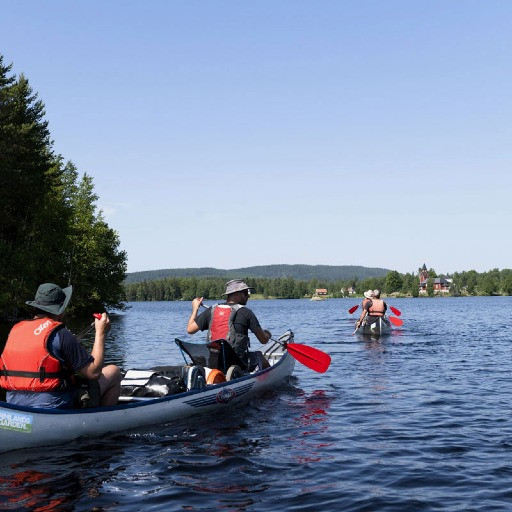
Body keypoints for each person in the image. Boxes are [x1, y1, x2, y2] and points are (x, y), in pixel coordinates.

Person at [0, 283, 122, 408]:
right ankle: (100, 421)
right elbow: (94, 373)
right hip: (52, 405)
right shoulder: (62, 334)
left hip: (14, 403)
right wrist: (100, 333)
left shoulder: (15, 331)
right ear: (60, 309)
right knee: (114, 371)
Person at [187, 279, 271, 370]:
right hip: (238, 363)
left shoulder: (212, 310)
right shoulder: (246, 313)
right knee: (259, 356)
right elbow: (263, 340)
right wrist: (267, 335)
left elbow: (190, 329)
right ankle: (270, 381)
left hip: (213, 362)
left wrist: (195, 308)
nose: (248, 296)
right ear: (237, 294)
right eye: (246, 293)